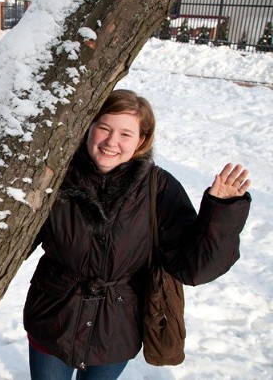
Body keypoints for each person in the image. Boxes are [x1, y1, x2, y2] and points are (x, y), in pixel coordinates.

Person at [23, 89, 251, 380]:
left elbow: (193, 269)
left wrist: (221, 211)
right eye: (104, 128)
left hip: (117, 328)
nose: (111, 142)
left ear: (141, 140)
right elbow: (12, 243)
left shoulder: (158, 187)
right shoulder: (57, 177)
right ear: (89, 127)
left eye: (125, 134)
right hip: (53, 320)